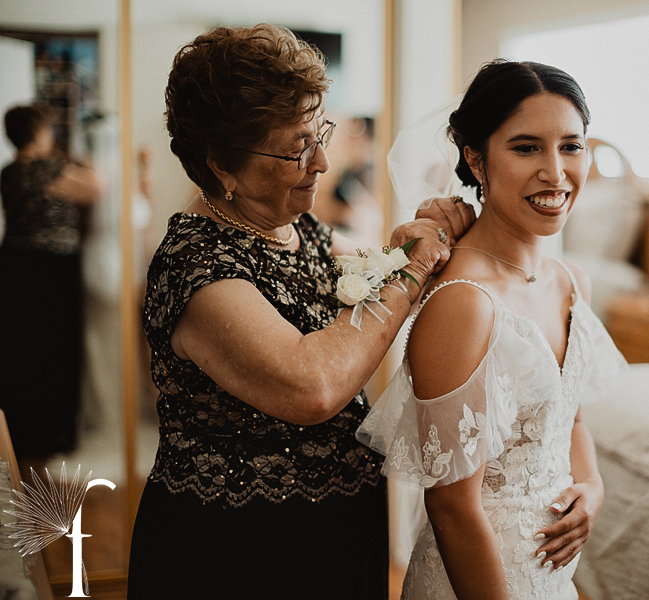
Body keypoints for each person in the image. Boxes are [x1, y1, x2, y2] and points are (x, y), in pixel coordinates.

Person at [126, 24, 474, 600]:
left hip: (334, 526)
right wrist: (413, 271)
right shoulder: (195, 267)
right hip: (240, 550)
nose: (322, 161)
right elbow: (312, 384)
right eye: (296, 148)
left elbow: (368, 277)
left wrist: (409, 243)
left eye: (321, 133)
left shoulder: (295, 226)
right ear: (222, 166)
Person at [357, 60, 627, 599]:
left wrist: (592, 487)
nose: (555, 172)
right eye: (527, 148)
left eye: (571, 146)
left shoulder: (573, 282)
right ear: (475, 159)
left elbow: (567, 419)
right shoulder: (463, 302)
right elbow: (452, 507)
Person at [0, 103, 101, 458]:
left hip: (14, 265)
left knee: (23, 350)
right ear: (39, 132)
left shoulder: (9, 172)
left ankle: (22, 433)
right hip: (51, 268)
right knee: (59, 348)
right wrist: (84, 163)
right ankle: (54, 434)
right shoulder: (50, 167)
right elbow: (94, 189)